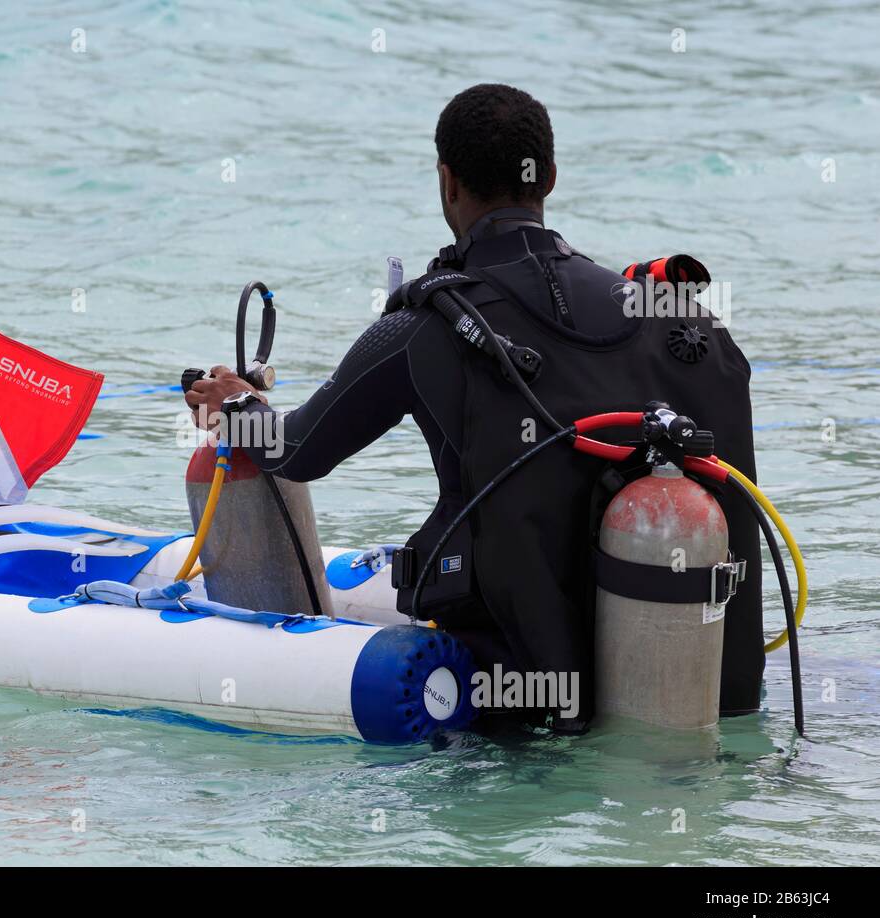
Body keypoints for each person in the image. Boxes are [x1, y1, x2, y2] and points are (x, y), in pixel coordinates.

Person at [184, 84, 762, 727]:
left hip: (510, 701)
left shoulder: (427, 325)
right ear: (547, 177)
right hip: (691, 682)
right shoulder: (671, 314)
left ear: (447, 181)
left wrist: (237, 406)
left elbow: (295, 451)